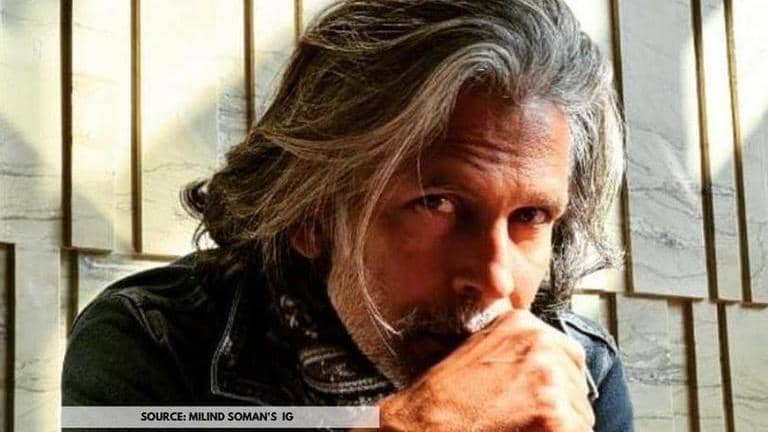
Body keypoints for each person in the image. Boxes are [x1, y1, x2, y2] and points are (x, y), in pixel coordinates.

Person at [63, 0, 634, 430]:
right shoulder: (152, 341)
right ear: (312, 215)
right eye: (436, 203)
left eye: (530, 216)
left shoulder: (579, 370)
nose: (494, 279)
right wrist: (419, 424)